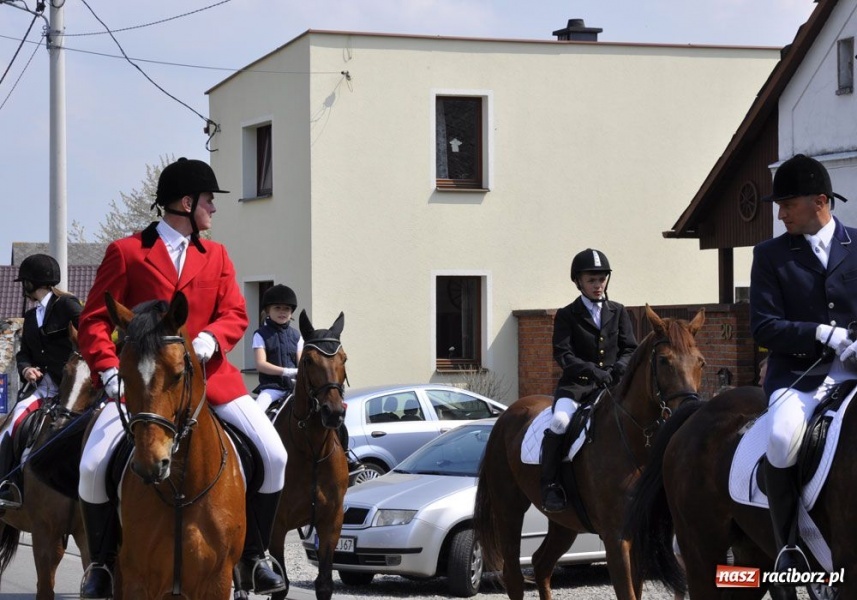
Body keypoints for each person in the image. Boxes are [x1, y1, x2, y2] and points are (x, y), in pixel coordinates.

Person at [76, 157, 288, 598]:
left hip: (211, 379)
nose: (214, 208)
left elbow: (235, 312)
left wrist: (212, 338)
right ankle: (100, 565)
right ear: (187, 203)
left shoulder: (218, 255)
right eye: (210, 200)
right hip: (144, 386)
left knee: (275, 455)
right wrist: (111, 370)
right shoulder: (128, 252)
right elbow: (94, 320)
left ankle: (255, 555)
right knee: (93, 465)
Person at [750, 153, 857, 576]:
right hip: (798, 376)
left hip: (854, 366)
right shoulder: (771, 255)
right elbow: (764, 326)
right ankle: (788, 546)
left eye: (786, 205)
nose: (779, 215)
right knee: (780, 437)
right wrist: (820, 333)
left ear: (819, 201)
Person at [541, 248, 638, 513]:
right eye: (592, 280)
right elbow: (563, 353)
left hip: (614, 385)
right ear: (579, 282)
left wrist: (619, 367)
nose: (598, 285)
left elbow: (630, 348)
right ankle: (550, 484)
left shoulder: (618, 311)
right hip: (577, 386)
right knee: (560, 422)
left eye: (602, 279)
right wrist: (591, 371)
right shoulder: (567, 314)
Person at [0, 254, 82, 509]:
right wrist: (26, 370)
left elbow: (88, 339)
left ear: (32, 283)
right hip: (42, 388)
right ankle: (6, 486)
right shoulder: (32, 314)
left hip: (71, 388)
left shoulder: (68, 306)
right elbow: (24, 352)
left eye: (24, 282)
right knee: (11, 426)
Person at [253, 284, 303, 414]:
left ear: (291, 312)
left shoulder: (297, 336)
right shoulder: (260, 334)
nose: (282, 312)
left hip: (295, 388)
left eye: (286, 309)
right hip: (271, 389)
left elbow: (301, 363)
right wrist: (286, 371)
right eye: (277, 308)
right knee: (256, 413)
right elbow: (260, 364)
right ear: (268, 310)